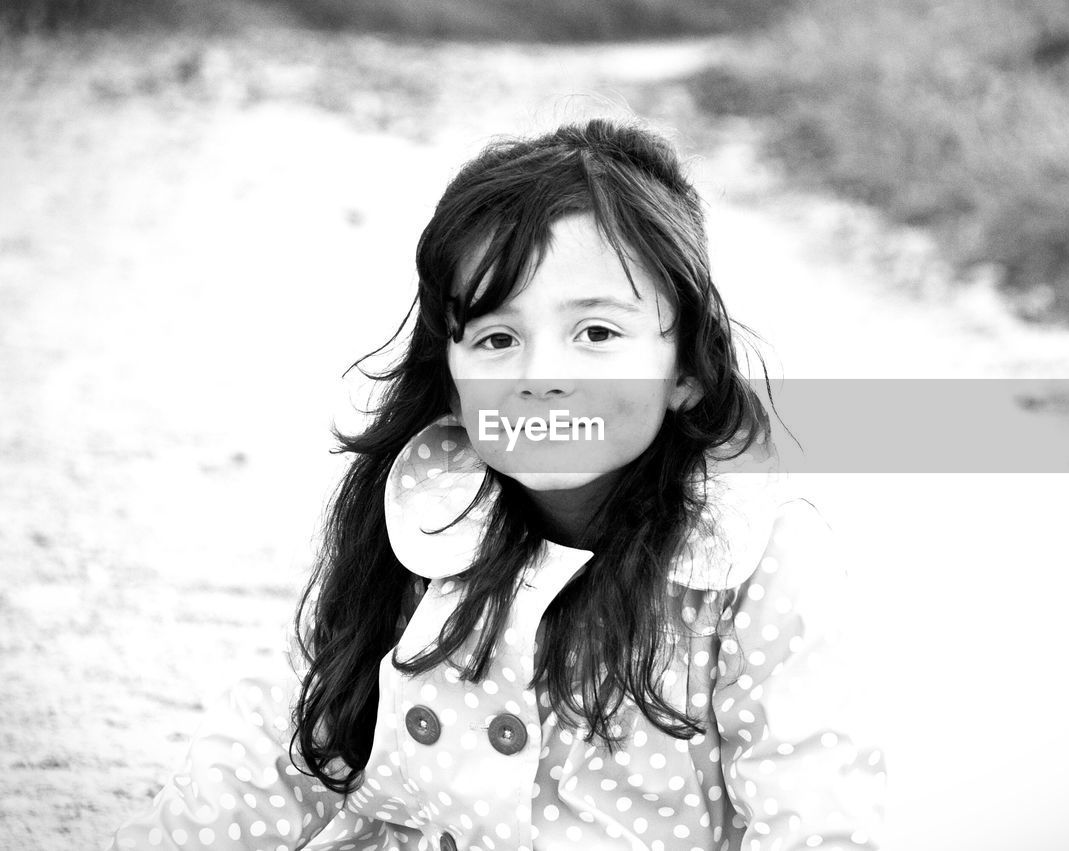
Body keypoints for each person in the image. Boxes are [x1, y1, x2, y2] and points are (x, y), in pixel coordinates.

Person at [108, 118, 886, 851]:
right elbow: (280, 745)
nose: (542, 378)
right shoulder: (426, 519)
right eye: (498, 337)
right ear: (449, 384)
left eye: (597, 332)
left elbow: (812, 807)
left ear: (685, 368)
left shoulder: (759, 555)